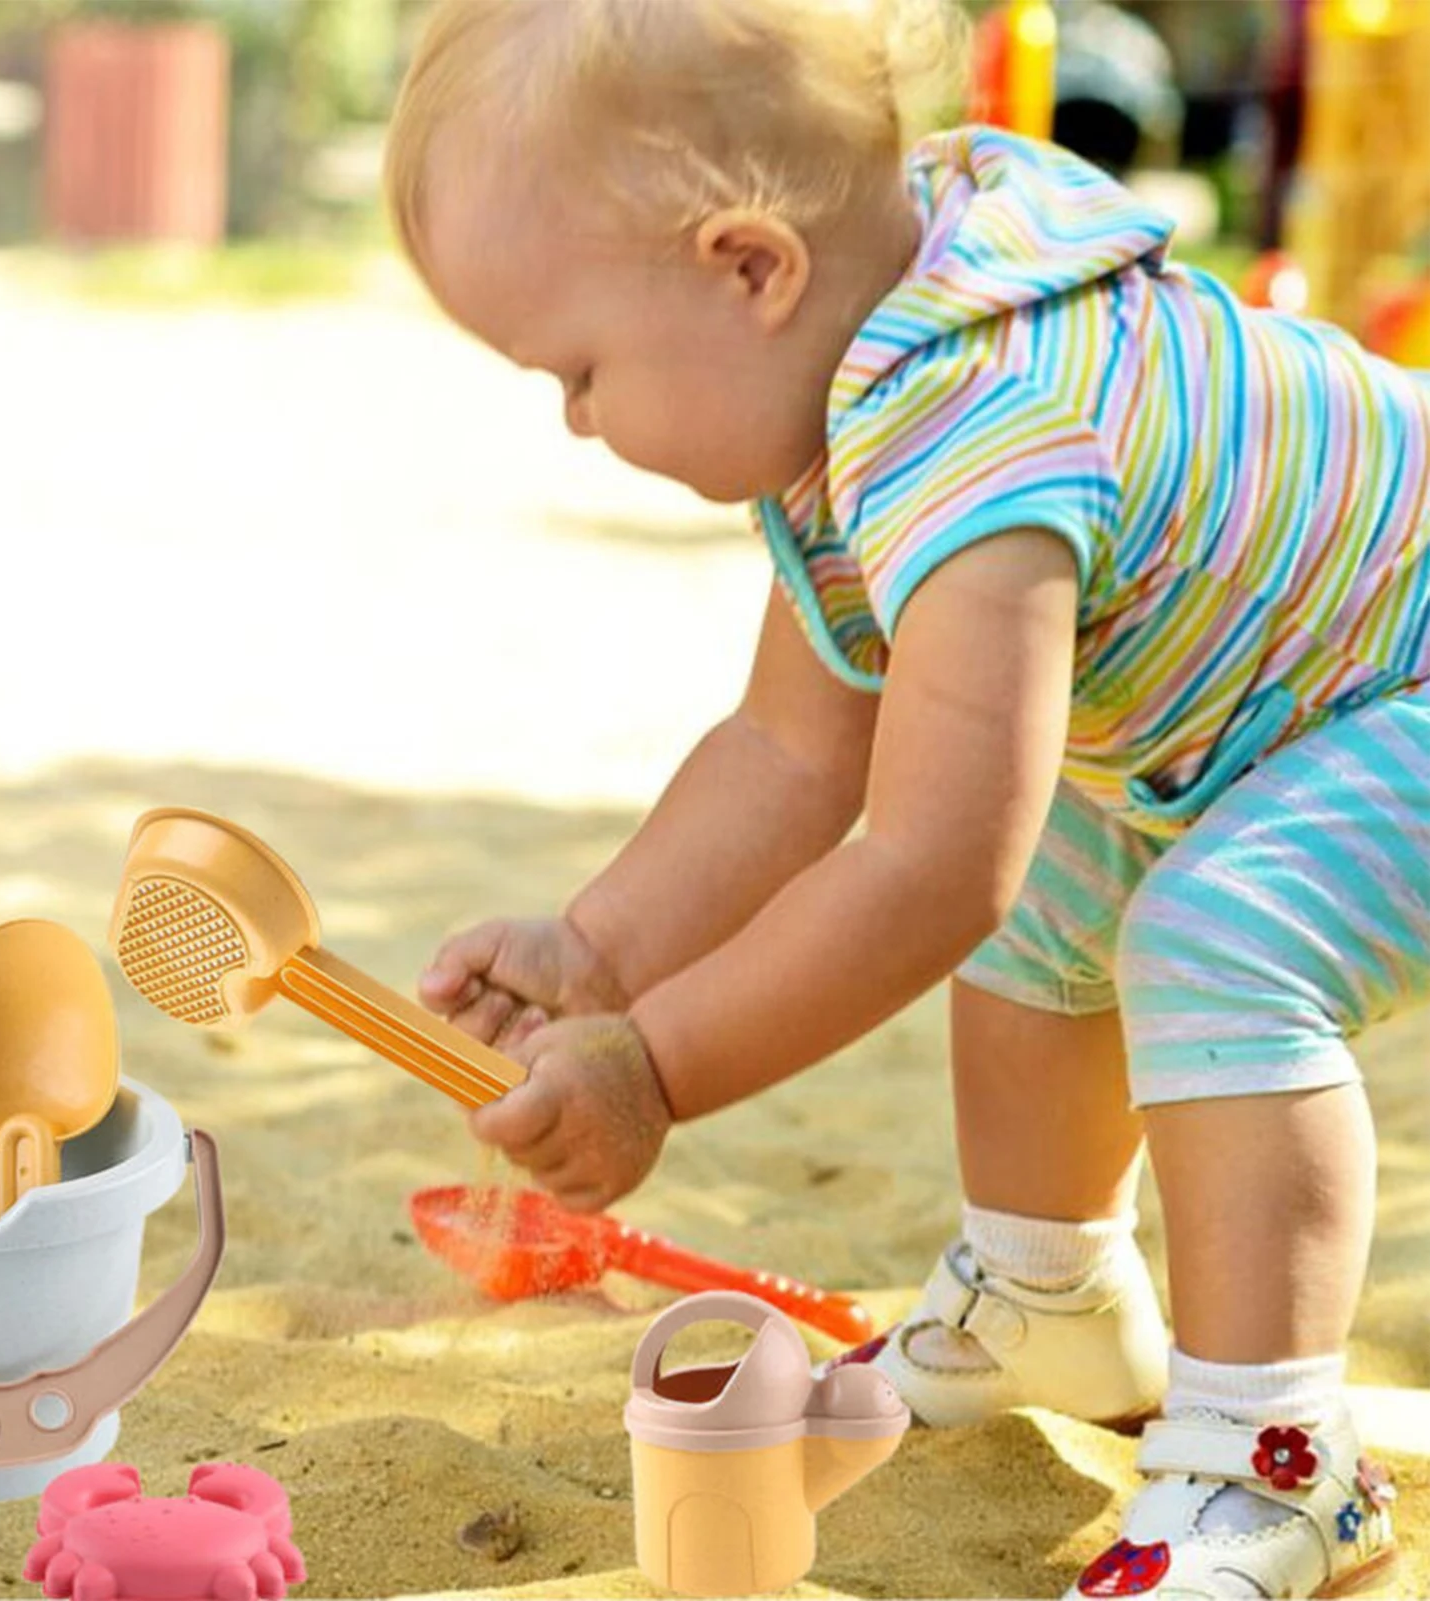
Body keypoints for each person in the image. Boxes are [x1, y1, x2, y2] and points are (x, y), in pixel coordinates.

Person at [385, 1, 1422, 1594]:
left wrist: (655, 1068)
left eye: (579, 369)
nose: (578, 421)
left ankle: (1275, 1458)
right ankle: (1051, 1294)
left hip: (1400, 685)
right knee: (1073, 855)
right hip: (1276, 708)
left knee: (1213, 939)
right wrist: (601, 955)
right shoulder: (874, 353)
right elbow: (796, 749)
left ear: (748, 267)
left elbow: (933, 868)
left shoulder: (979, 419)